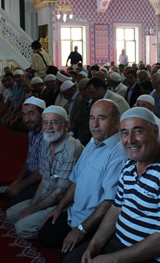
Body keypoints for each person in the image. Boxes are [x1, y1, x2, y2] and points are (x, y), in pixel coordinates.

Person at [70, 107, 160, 263]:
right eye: (124, 133)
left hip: (151, 257)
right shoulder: (130, 164)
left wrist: (113, 259)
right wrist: (95, 244)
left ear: (155, 132)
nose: (130, 140)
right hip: (119, 243)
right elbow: (116, 208)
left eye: (138, 131)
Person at [38, 100, 128, 259]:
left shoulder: (118, 153)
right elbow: (76, 180)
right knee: (45, 234)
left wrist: (82, 230)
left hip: (93, 223)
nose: (95, 124)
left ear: (116, 121)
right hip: (74, 213)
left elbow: (110, 202)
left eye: (102, 118)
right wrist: (59, 208)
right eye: (92, 118)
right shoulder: (93, 142)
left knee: (66, 258)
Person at [6, 106, 83, 239]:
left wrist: (32, 210)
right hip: (47, 196)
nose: (48, 127)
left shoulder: (70, 150)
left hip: (60, 204)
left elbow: (60, 193)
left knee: (21, 228)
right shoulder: (48, 142)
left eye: (54, 122)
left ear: (65, 125)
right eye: (45, 123)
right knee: (11, 214)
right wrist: (32, 205)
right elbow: (44, 180)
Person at [5, 97, 46, 206]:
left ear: (43, 115)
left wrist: (20, 186)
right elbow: (29, 159)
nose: (26, 119)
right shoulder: (32, 132)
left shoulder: (47, 135)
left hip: (42, 181)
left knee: (13, 203)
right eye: (23, 114)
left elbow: (41, 173)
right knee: (8, 195)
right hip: (32, 175)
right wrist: (18, 181)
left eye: (31, 114)